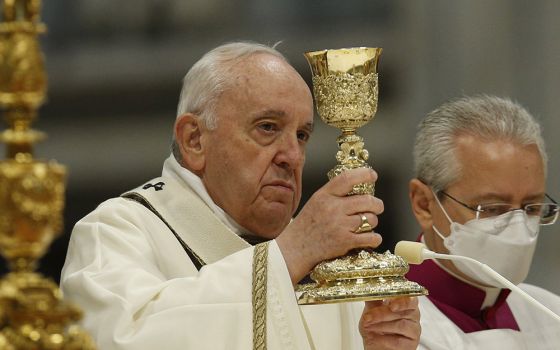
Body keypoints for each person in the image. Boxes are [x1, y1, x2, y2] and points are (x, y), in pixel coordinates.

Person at [61, 41, 420, 350]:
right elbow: (123, 341)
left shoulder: (322, 257)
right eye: (267, 128)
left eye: (302, 135)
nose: (292, 156)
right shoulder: (115, 232)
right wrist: (292, 253)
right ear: (194, 140)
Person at [406, 95, 560, 349]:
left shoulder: (551, 315)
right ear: (423, 203)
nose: (518, 229)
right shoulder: (375, 325)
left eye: (532, 207)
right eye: (492, 208)